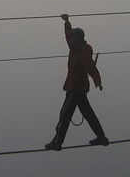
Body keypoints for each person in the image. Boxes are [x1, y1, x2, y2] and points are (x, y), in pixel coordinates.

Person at [45, 13, 109, 150]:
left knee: (64, 115)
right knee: (88, 114)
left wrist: (97, 81)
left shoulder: (83, 53)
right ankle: (101, 137)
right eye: (72, 37)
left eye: (75, 38)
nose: (72, 39)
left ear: (80, 39)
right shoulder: (74, 48)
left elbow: (91, 68)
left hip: (75, 89)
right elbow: (67, 36)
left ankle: (57, 142)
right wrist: (67, 22)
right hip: (77, 88)